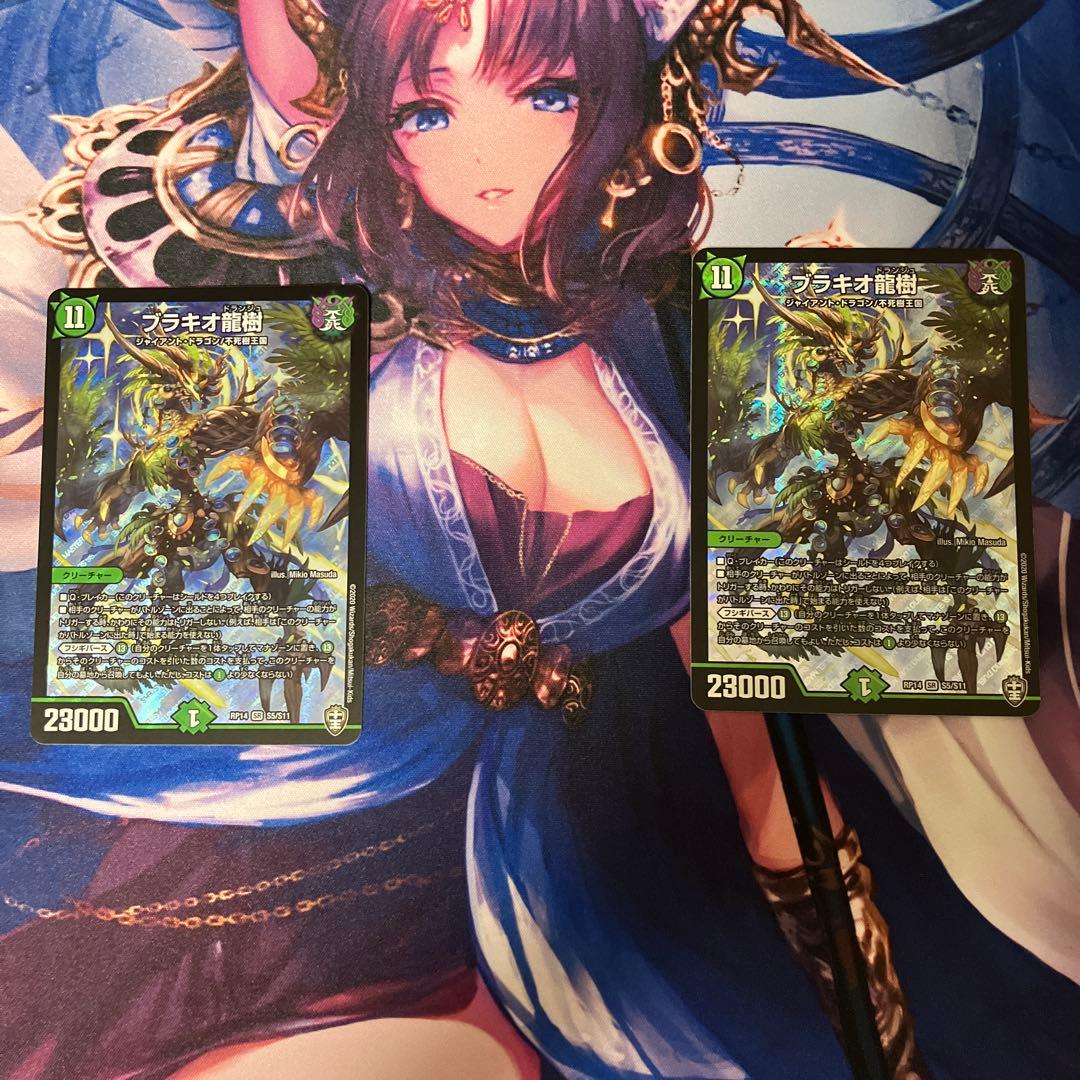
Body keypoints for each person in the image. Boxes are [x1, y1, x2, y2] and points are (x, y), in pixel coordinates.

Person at [0, 3, 1077, 1079]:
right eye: (425, 112)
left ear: (626, 102)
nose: (484, 160)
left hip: (587, 854)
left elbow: (780, 727)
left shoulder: (723, 335)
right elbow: (174, 674)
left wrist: (846, 941)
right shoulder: (258, 314)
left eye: (547, 95)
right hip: (299, 853)